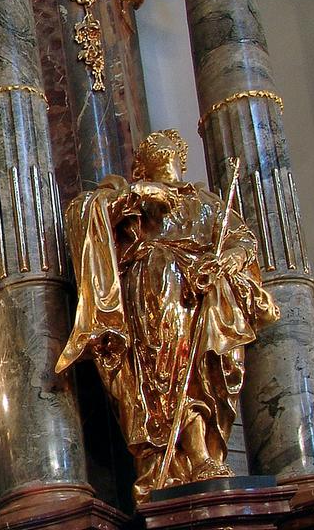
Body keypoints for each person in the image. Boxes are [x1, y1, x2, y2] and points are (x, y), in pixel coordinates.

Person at [56, 130, 279, 502]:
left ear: (181, 158)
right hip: (156, 290)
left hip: (208, 300)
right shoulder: (127, 193)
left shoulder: (207, 203)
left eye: (168, 147)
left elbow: (244, 242)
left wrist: (224, 260)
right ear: (139, 167)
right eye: (149, 150)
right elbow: (83, 213)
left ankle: (207, 454)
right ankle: (188, 458)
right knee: (167, 373)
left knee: (214, 366)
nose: (161, 150)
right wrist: (134, 195)